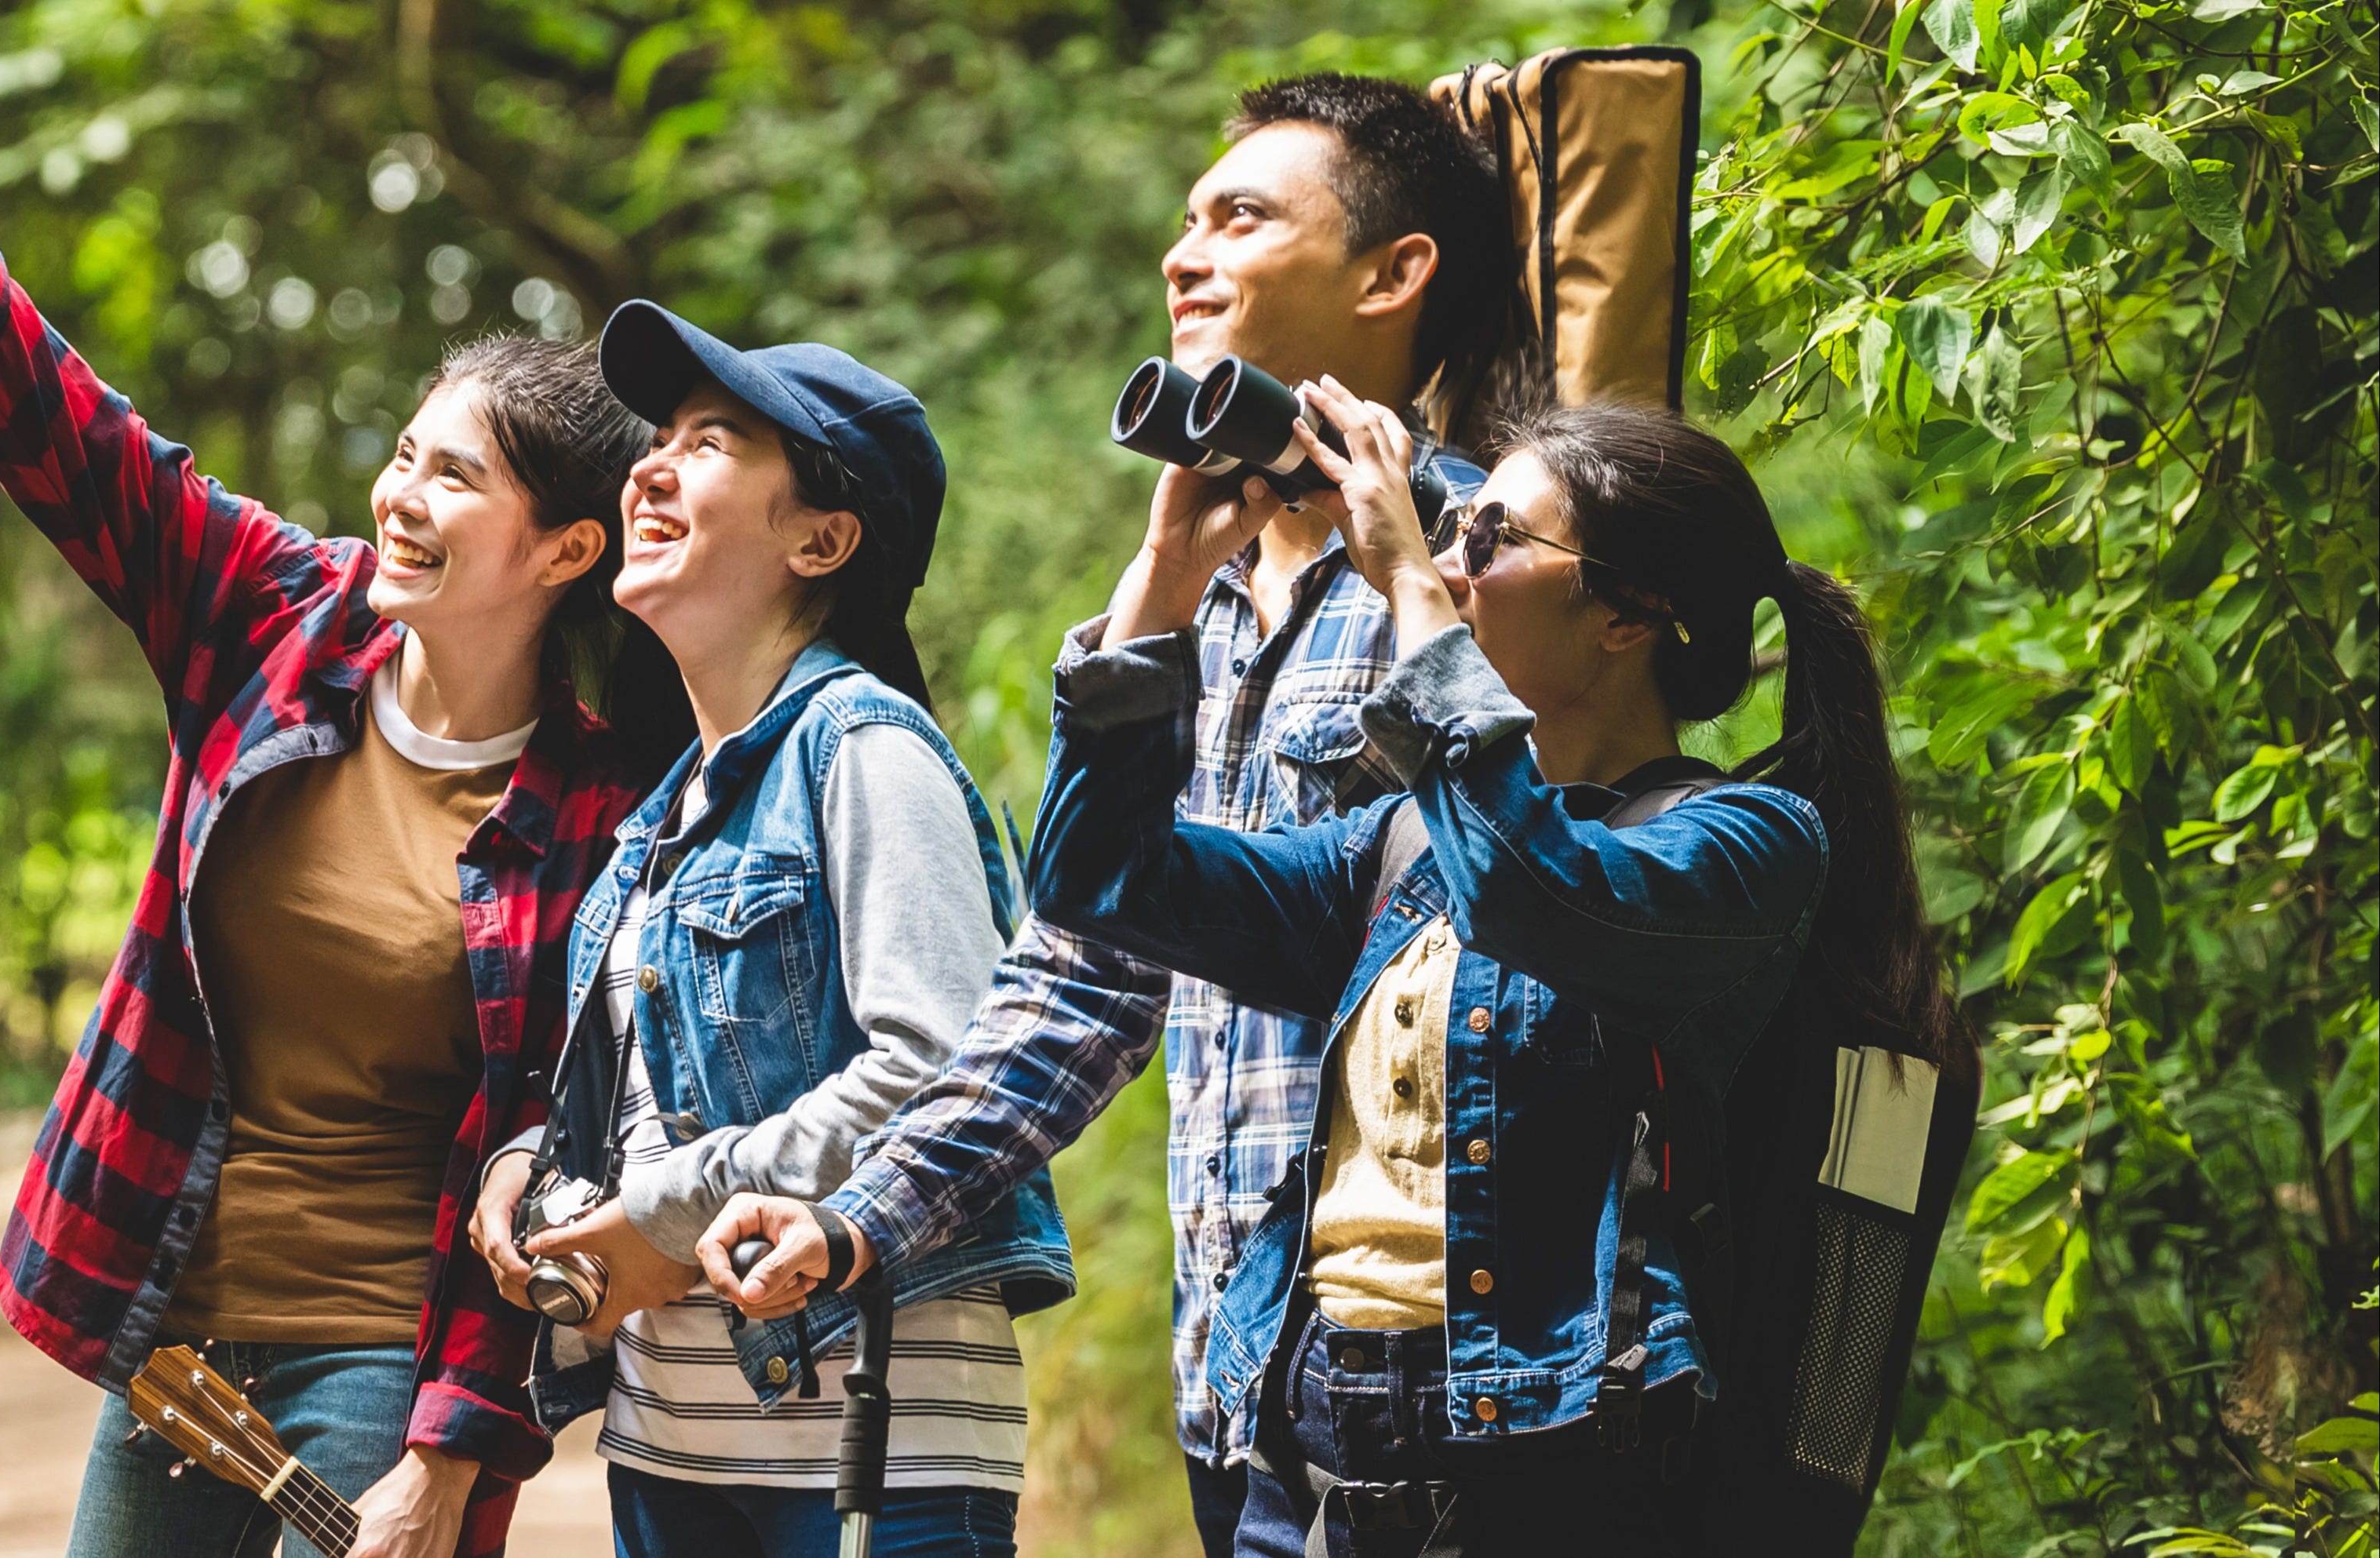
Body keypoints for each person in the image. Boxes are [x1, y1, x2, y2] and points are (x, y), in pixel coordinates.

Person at [0, 9, 677, 1556]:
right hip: (182, 1317)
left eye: (455, 478)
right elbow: (59, 433)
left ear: (564, 550)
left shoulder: (599, 807)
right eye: (403, 457)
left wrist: (457, 1455)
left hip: (384, 1352)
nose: (402, 497)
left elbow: (555, 1139)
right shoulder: (272, 619)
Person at [681, 72, 1525, 1556]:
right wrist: (861, 1216)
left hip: (1440, 1397)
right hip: (1236, 1387)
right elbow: (1083, 979)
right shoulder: (1181, 605)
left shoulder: (1490, 578)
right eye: (1185, 220)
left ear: (1395, 275)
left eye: (1242, 218)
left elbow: (1532, 925)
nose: (1183, 257)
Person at [1015, 387, 1947, 1552]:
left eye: (1492, 538)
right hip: (1306, 1465)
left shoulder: (1742, 845)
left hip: (1551, 1472)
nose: (1455, 559)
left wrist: (1410, 579)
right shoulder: (1397, 845)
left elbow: (1532, 887)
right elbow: (1099, 875)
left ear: (1630, 614)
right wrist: (1164, 574)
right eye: (1453, 532)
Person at [460, 304, 1072, 1558]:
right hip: (672, 1447)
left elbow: (944, 1072)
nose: (651, 464)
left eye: (714, 439)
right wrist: (532, 1170)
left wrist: (665, 1213)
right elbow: (650, 1104)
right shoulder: (661, 820)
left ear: (822, 536)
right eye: (659, 437)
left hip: (872, 1449)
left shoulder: (869, 753)